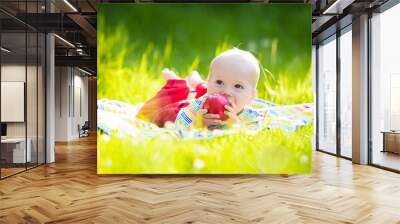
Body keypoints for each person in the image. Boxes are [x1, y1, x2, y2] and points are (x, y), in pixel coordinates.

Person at [137, 48, 262, 130]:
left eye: (238, 86)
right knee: (160, 110)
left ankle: (197, 84)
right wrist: (197, 122)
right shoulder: (198, 106)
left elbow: (250, 135)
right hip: (179, 107)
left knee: (205, 91)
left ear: (251, 96)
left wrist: (234, 124)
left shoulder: (250, 116)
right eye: (219, 82)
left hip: (206, 91)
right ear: (209, 83)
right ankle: (176, 83)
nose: (226, 92)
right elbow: (178, 125)